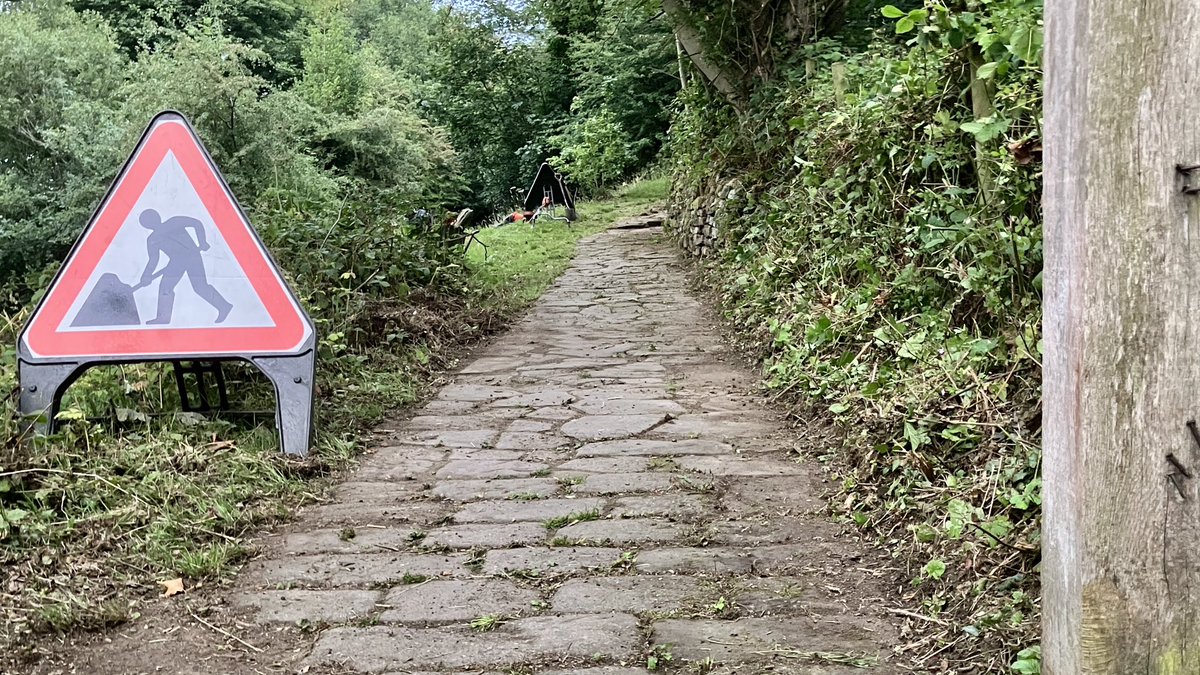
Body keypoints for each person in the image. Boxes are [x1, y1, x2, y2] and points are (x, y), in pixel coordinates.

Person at [136, 208, 233, 325]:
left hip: (192, 256)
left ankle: (224, 306)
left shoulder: (174, 222)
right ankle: (163, 318)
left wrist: (202, 241)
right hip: (176, 262)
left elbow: (196, 223)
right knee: (165, 287)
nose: (151, 223)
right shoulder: (152, 239)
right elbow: (153, 259)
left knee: (199, 287)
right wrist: (146, 275)